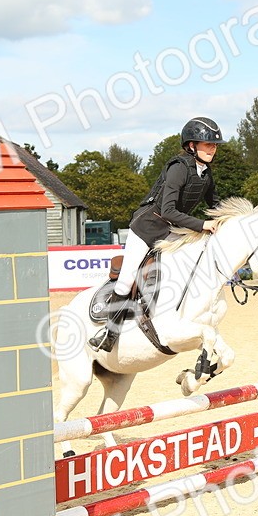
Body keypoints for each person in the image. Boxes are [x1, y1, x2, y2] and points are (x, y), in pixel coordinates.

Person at [89, 116, 224, 352]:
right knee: (127, 278)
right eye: (207, 144)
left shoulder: (206, 174)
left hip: (173, 230)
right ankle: (108, 334)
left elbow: (216, 204)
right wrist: (201, 225)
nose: (212, 149)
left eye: (214, 145)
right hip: (148, 227)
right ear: (192, 146)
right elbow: (168, 210)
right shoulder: (179, 168)